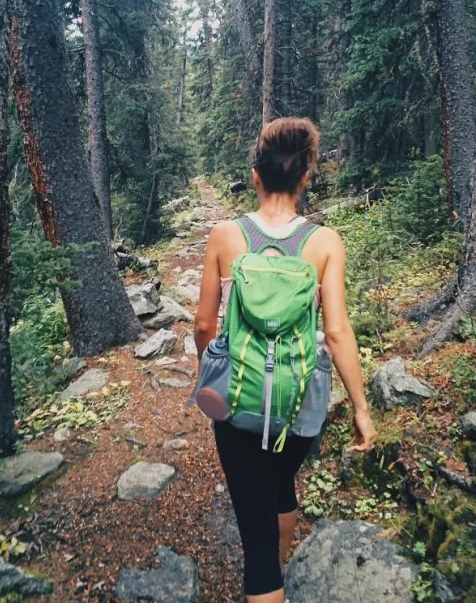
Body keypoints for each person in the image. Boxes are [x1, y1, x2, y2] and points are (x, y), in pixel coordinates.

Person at [193, 117, 377, 603]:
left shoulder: (224, 236)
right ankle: (280, 563)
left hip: (237, 403)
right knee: (281, 484)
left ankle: (268, 575)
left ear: (256, 176)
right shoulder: (324, 242)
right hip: (301, 405)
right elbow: (336, 332)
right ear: (305, 179)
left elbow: (203, 326)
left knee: (254, 547)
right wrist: (360, 408)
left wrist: (210, 371)